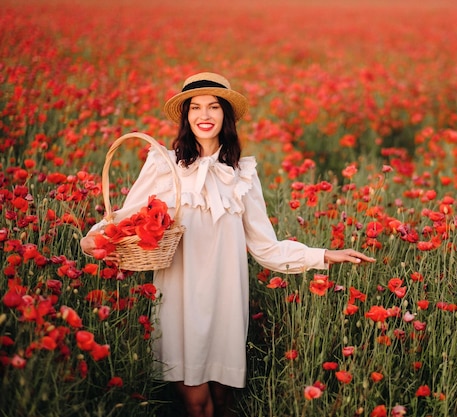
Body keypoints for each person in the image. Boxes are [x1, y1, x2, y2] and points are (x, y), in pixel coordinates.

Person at [80, 72, 375, 417]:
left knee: (223, 402)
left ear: (226, 116)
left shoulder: (242, 175)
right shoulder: (164, 165)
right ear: (186, 116)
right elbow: (127, 215)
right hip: (179, 295)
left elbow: (265, 246)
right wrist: (97, 238)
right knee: (196, 403)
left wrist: (323, 254)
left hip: (226, 298)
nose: (205, 115)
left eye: (214, 107)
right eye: (196, 108)